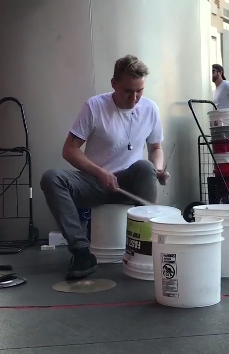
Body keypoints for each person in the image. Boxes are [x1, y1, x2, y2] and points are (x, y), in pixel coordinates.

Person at [40, 54, 169, 280]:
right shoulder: (95, 106)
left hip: (130, 182)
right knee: (52, 178)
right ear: (113, 84)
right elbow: (69, 150)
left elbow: (156, 147)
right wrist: (100, 173)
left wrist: (158, 168)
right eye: (128, 91)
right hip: (94, 182)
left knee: (145, 166)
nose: (135, 97)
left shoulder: (150, 109)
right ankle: (81, 252)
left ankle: (148, 249)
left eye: (140, 90)